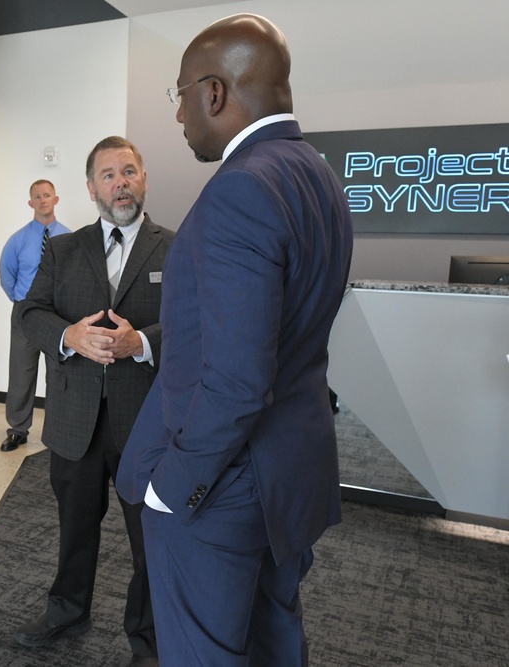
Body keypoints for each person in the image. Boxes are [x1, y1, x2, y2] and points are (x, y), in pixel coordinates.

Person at [116, 14, 354, 666]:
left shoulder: (241, 188)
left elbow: (238, 379)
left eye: (180, 95)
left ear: (214, 93)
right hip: (291, 470)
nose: (178, 115)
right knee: (276, 638)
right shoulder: (318, 177)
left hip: (222, 489)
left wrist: (174, 487)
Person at [15, 136, 174, 667]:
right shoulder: (61, 249)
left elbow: (195, 325)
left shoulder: (175, 247)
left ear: (144, 178)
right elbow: (30, 313)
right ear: (90, 188)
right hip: (74, 420)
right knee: (74, 525)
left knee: (149, 540)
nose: (120, 182)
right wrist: (69, 337)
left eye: (128, 171)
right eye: (108, 174)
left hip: (146, 424)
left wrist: (142, 342)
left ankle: (148, 639)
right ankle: (66, 609)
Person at [0, 180, 70, 452]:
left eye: (47, 195)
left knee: (59, 374)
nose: (42, 200)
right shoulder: (17, 240)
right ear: (31, 203)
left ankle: (57, 431)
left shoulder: (69, 238)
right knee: (21, 373)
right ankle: (18, 429)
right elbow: (7, 275)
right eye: (37, 197)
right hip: (25, 313)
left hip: (57, 315)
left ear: (56, 199)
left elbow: (74, 276)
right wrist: (21, 301)